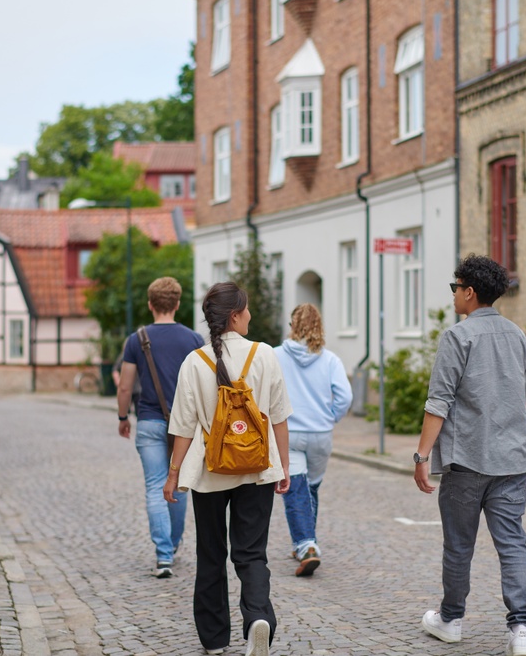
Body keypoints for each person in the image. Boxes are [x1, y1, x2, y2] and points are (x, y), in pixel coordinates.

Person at [412, 255, 526, 656]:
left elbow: (438, 403)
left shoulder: (458, 337)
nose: (453, 294)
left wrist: (421, 457)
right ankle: (521, 628)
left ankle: (451, 620)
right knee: (512, 543)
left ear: (470, 292)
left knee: (458, 545)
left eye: (455, 287)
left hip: (468, 458)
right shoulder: (517, 334)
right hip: (512, 457)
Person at [164, 282, 292, 656]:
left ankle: (215, 639)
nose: (250, 315)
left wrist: (173, 474)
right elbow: (280, 418)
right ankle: (257, 618)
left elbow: (183, 426)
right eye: (247, 309)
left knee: (210, 553)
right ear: (235, 315)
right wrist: (283, 465)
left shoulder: (195, 361)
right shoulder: (265, 355)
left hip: (210, 471)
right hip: (257, 469)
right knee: (252, 553)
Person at [117, 277, 204, 579]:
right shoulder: (193, 340)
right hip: (185, 427)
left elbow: (126, 387)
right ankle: (175, 542)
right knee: (179, 483)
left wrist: (122, 417)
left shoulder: (136, 339)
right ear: (178, 303)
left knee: (155, 486)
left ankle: (163, 555)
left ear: (151, 304)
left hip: (150, 421)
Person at [273, 303, 352, 576]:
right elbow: (345, 397)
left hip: (289, 433)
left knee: (295, 489)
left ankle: (306, 545)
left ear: (292, 325)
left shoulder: (275, 356)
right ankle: (306, 544)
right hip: (320, 434)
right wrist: (329, 417)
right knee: (311, 488)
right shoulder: (330, 359)